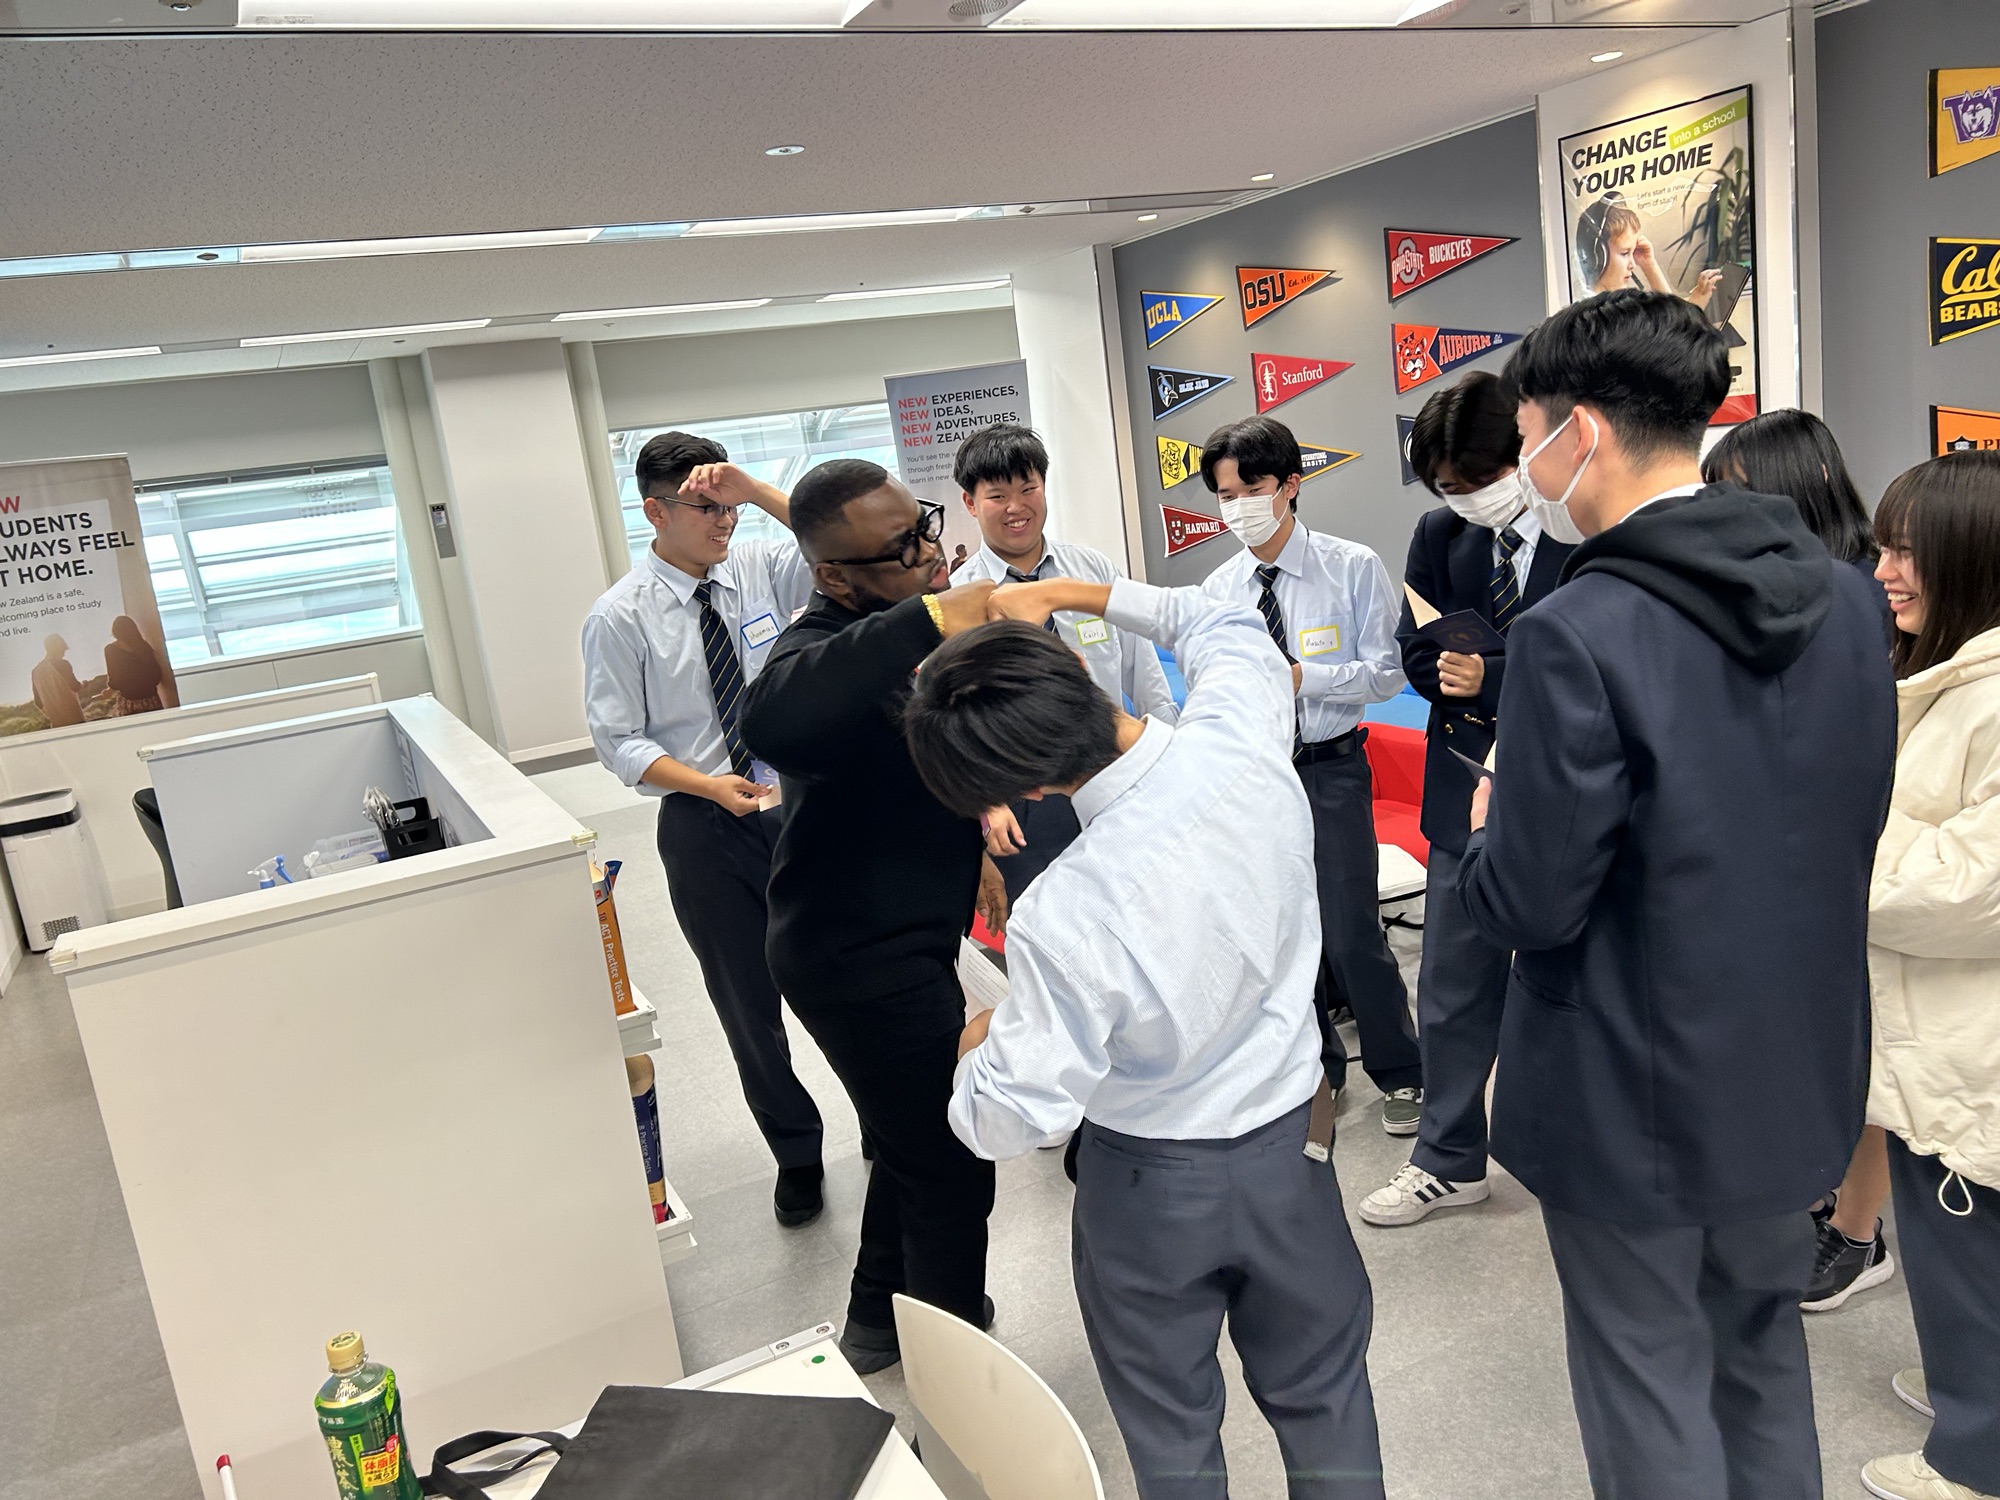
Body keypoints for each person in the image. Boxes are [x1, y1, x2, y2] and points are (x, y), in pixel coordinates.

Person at [1458, 289, 1896, 1498]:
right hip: (1794, 1061)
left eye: (1527, 432)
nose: (1524, 463)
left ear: (1582, 430)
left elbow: (1532, 900)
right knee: (1757, 1359)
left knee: (1643, 1376)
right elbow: (1847, 815)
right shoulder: (1847, 601)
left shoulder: (1576, 629)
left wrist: (1486, 840)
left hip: (1624, 1085)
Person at [909, 576, 1385, 1500]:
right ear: (1075, 672)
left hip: (1150, 1185)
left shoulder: (1064, 911)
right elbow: (1221, 619)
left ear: (1025, 788)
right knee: (1328, 1398)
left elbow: (1009, 1120)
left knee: (1172, 1433)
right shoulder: (1244, 738)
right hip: (1296, 1150)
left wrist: (978, 1042)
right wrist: (1069, 590)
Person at [740, 459, 1007, 1373]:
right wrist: (932, 614)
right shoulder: (819, 649)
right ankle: (954, 1393)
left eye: (922, 528)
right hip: (854, 956)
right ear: (832, 575)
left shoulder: (887, 624)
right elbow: (773, 721)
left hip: (910, 936)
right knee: (950, 1165)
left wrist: (974, 840)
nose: (928, 554)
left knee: (908, 1138)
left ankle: (878, 1320)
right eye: (900, 552)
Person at [580, 432, 828, 1228]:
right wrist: (707, 786)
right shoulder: (620, 616)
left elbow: (833, 544)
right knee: (746, 1002)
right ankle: (797, 1152)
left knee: (839, 974)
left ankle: (879, 1117)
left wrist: (754, 490)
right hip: (704, 824)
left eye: (729, 506)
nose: (723, 520)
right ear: (655, 512)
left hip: (801, 806)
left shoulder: (755, 566)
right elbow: (619, 741)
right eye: (705, 507)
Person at [1359, 372, 1576, 1227]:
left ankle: (1575, 1150)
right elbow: (1416, 648)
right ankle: (1447, 1158)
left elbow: (1596, 661)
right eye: (1447, 486)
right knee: (1451, 985)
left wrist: (1494, 672)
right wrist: (1447, 673)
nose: (1466, 498)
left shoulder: (1584, 529)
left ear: (1523, 451)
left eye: (1478, 479)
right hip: (1464, 782)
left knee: (1577, 984)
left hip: (1570, 791)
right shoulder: (1441, 536)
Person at [1703, 408, 1897, 1312]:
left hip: (1859, 864)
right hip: (1792, 860)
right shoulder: (1771, 594)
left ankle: (1858, 1233)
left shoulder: (1864, 594)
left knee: (1863, 1052)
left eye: (1740, 498)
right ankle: (1829, 1194)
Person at [1197, 416, 1419, 1135]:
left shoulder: (1351, 567)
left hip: (1331, 768)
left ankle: (1402, 1071)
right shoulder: (1219, 587)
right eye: (1225, 495)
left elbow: (1387, 675)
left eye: (1252, 488)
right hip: (1258, 778)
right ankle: (1319, 1070)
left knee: (1351, 930)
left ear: (1290, 484)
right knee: (1286, 935)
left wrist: (1303, 678)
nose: (1238, 507)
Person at [1858, 451, 2000, 1500]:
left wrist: (1839, 828)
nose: (1882, 571)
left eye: (1904, 550)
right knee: (1953, 1244)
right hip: (1937, 1030)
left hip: (1967, 1041)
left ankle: (1973, 1456)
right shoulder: (1948, 681)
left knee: (1965, 1245)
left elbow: (1970, 890)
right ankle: (1970, 1391)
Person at [947, 422, 1180, 899]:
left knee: (1146, 904)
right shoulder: (958, 599)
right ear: (970, 503)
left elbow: (1143, 671)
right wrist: (986, 806)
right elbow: (956, 721)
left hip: (1117, 775)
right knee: (1053, 922)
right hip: (1026, 798)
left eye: (1028, 488)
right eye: (997, 496)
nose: (1016, 507)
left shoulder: (1091, 571)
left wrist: (1171, 758)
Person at [1575, 192, 1722, 307]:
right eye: (1625, 253)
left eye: (1633, 252)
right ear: (1595, 257)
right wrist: (1697, 302)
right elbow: (1673, 326)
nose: (1632, 264)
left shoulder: (1613, 303)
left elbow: (1669, 315)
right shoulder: (1597, 319)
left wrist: (1649, 264)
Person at [103, 616, 165, 716]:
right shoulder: (144, 647)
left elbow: (116, 681)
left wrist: (109, 690)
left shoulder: (111, 650)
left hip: (129, 702)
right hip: (152, 701)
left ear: (115, 631)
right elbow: (157, 675)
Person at [30, 634, 85, 729]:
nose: (64, 654)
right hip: (74, 717)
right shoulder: (63, 664)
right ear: (57, 648)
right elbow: (75, 687)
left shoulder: (35, 671)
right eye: (63, 649)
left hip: (57, 723)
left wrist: (53, 715)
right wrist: (84, 685)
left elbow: (38, 702)